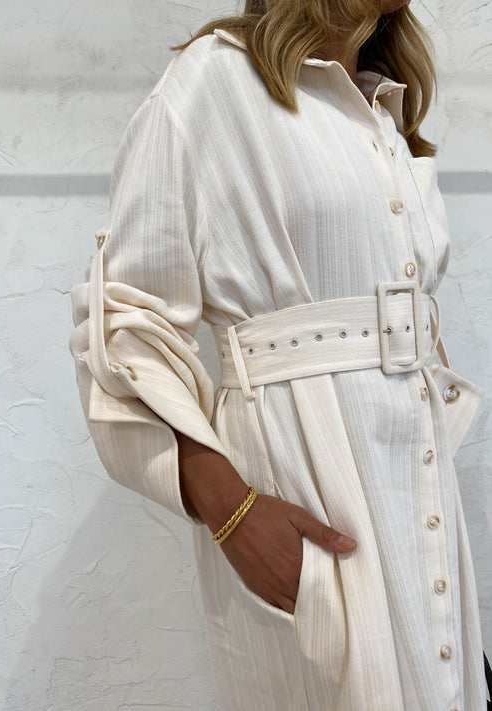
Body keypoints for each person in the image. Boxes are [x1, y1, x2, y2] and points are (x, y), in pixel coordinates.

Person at [68, 0, 489, 708]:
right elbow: (126, 320)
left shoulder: (382, 108)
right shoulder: (216, 80)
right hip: (302, 467)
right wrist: (232, 513)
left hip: (414, 482)